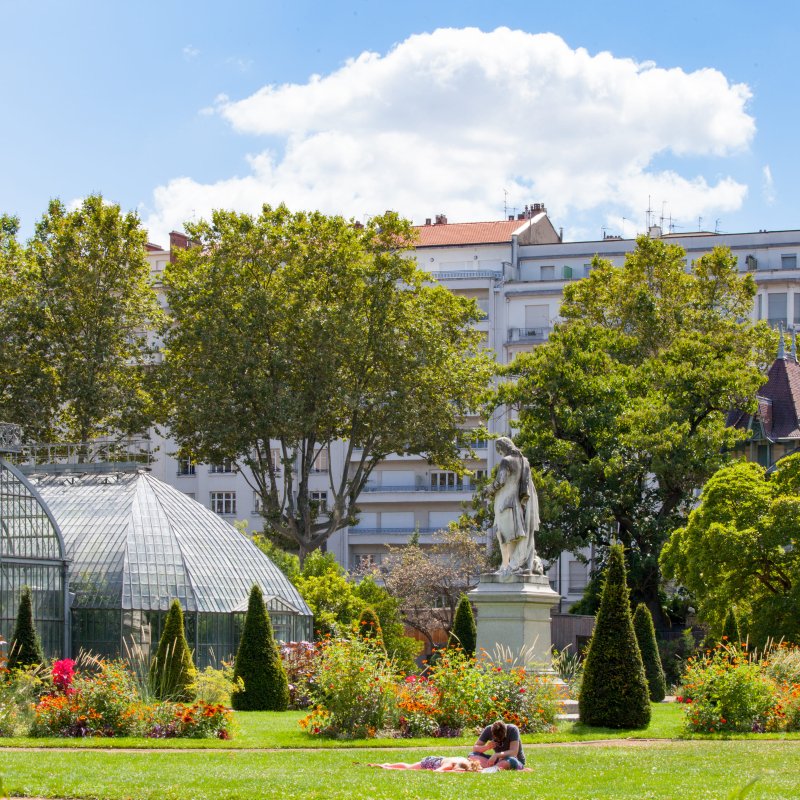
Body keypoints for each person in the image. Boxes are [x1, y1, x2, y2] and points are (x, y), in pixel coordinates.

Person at [483, 437, 544, 575]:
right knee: (512, 536)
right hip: (518, 504)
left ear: (502, 448)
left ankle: (507, 566)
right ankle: (510, 565)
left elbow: (500, 481)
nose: (499, 453)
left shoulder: (507, 461)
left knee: (504, 536)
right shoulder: (524, 462)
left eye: (499, 449)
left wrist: (487, 490)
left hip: (505, 502)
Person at [370, 756, 481, 772]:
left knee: (409, 765)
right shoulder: (450, 764)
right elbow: (437, 771)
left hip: (438, 758)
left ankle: (388, 764)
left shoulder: (470, 764)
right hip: (431, 762)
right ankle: (386, 766)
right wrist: (452, 772)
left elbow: (478, 770)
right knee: (409, 768)